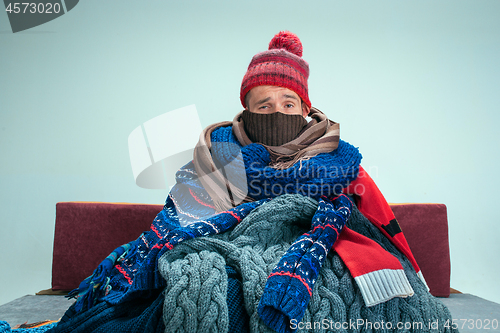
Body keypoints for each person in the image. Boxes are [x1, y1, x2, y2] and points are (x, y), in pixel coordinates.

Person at [49, 31, 457, 333]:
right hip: (233, 241)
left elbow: (379, 221)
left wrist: (414, 273)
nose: (276, 112)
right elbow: (181, 216)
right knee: (202, 279)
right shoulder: (218, 153)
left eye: (288, 103)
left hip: (315, 245)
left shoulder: (337, 160)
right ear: (245, 111)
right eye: (264, 104)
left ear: (305, 109)